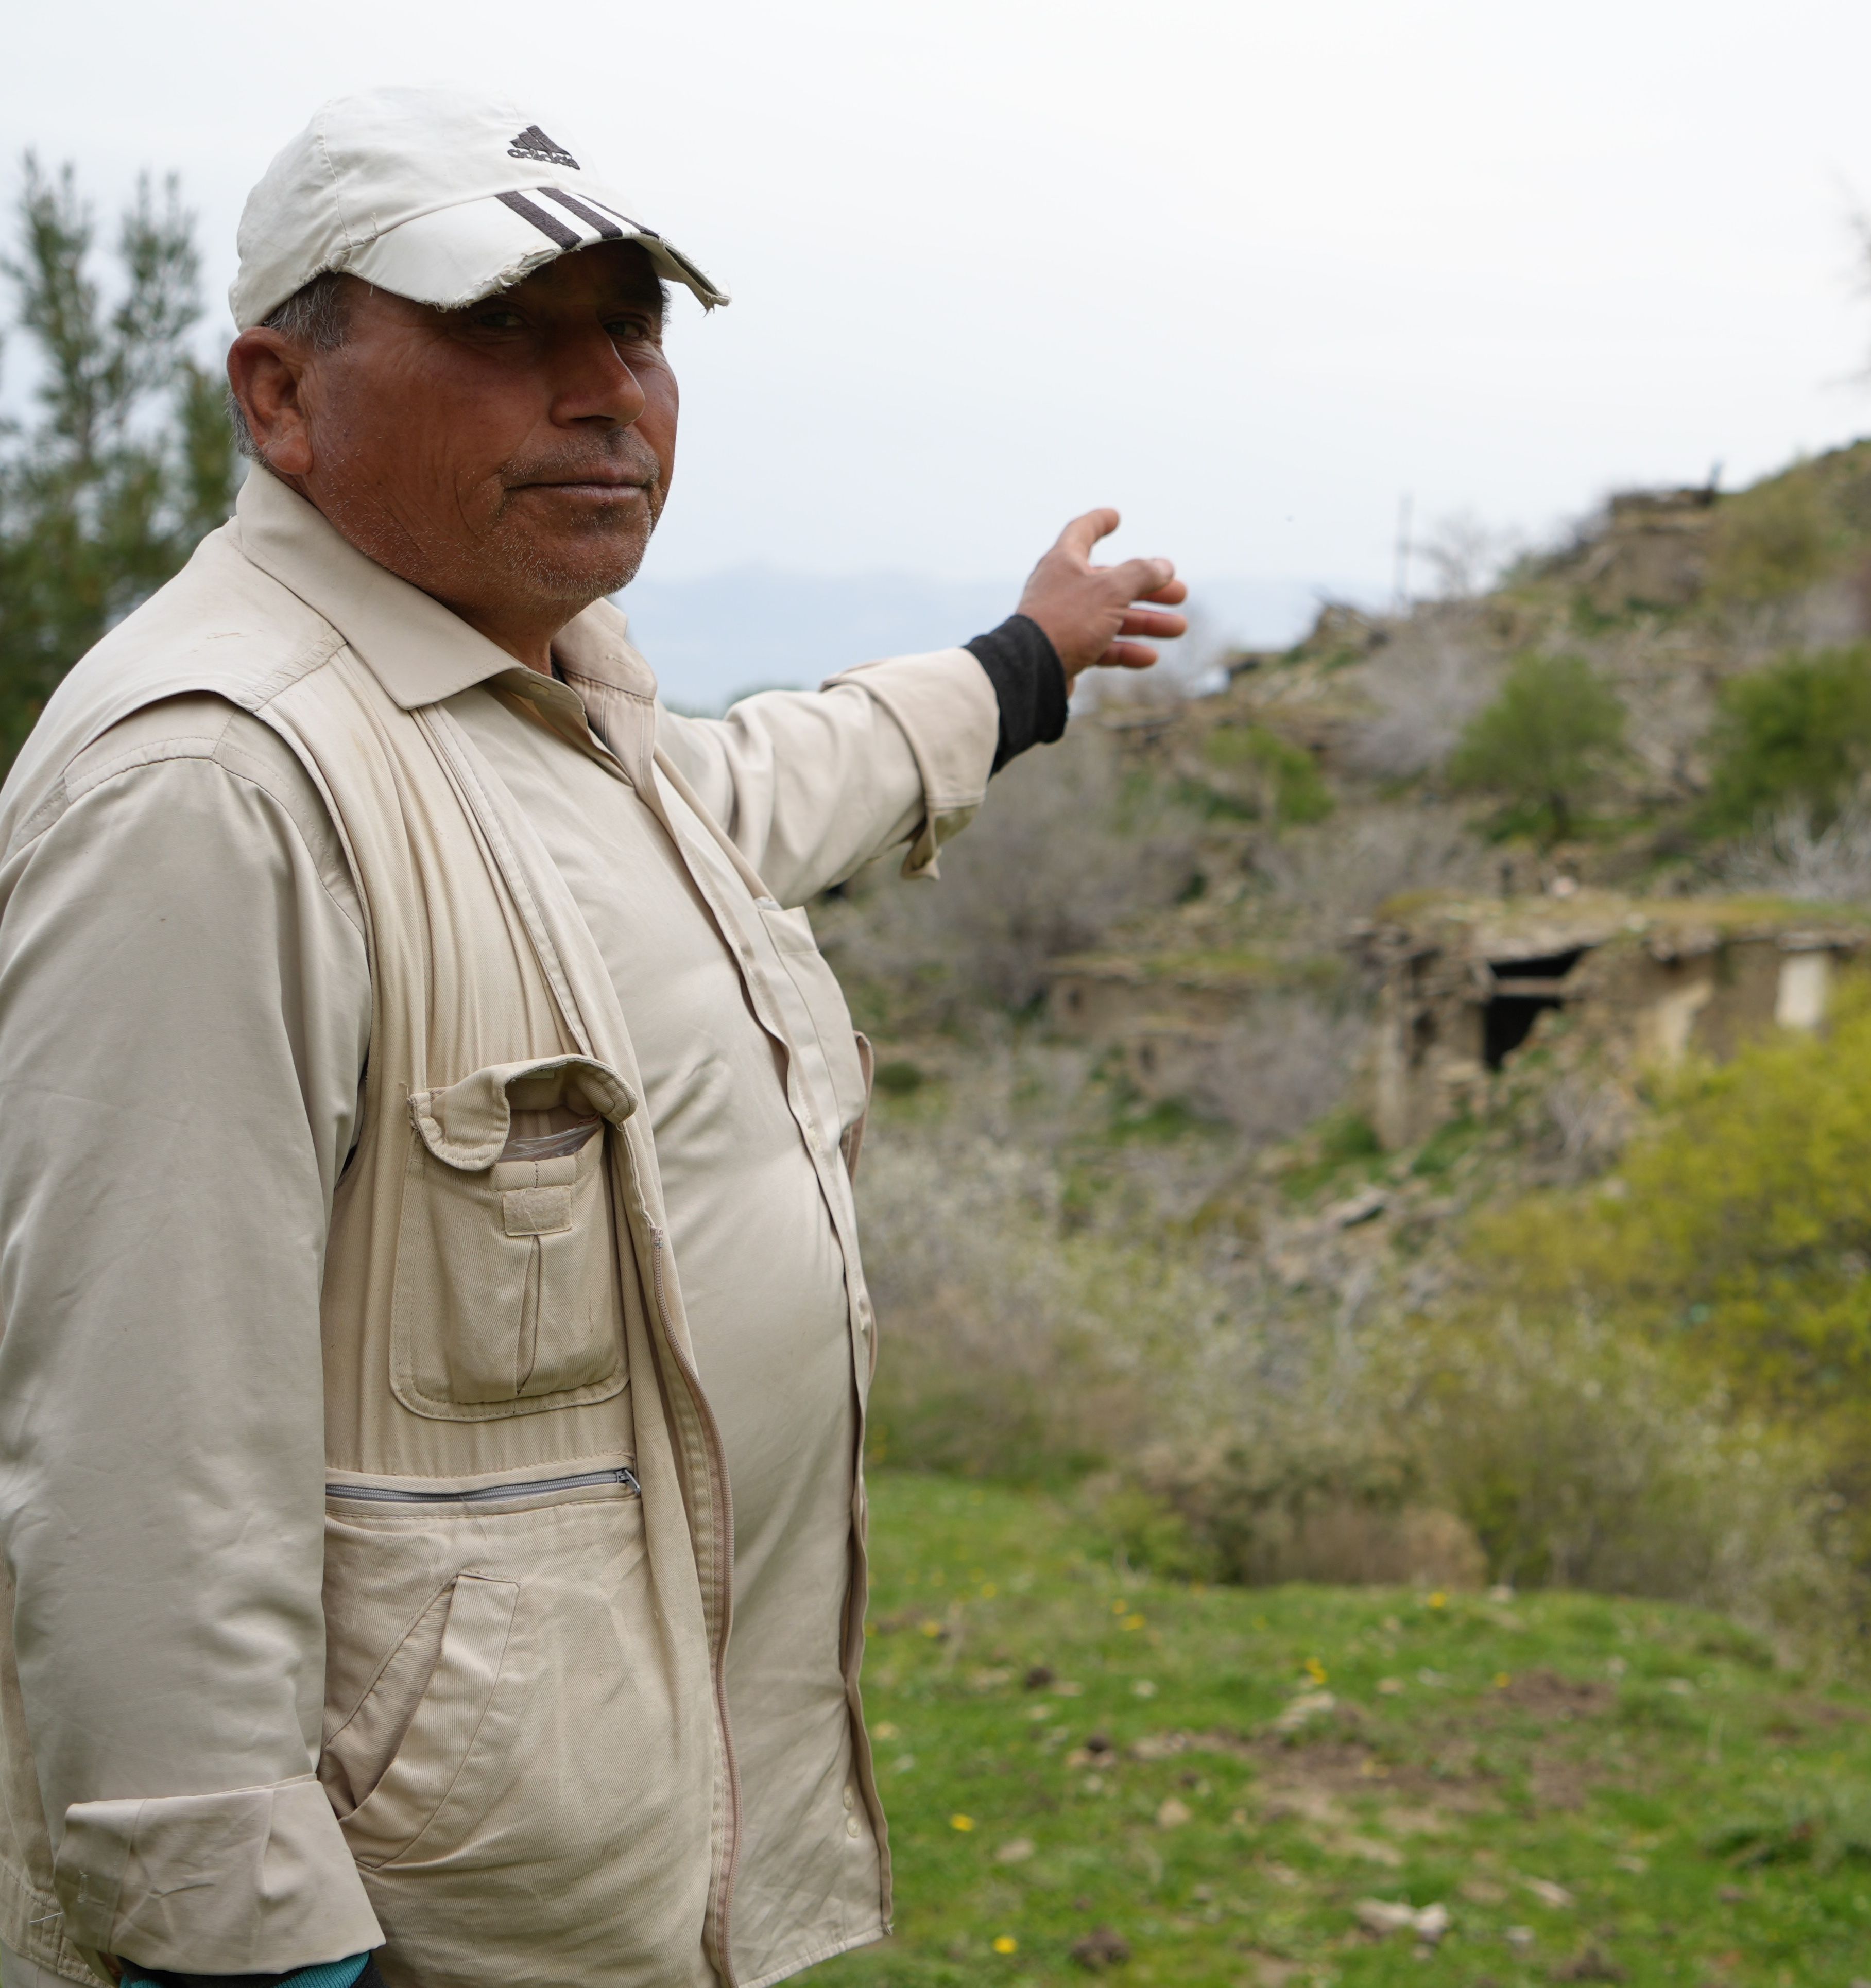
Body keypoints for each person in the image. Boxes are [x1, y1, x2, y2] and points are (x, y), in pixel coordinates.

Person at [0, 86, 1184, 1988]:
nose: (601, 391)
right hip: (399, 1933)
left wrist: (1018, 666)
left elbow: (761, 792)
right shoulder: (219, 786)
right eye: (498, 329)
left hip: (592, 1868)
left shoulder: (543, 703)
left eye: (630, 326)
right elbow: (143, 1450)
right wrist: (238, 1941)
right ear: (281, 396)